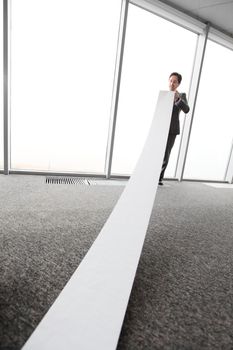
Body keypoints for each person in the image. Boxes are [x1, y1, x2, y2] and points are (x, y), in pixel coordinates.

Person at [159, 72, 190, 186]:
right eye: (170, 81)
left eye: (174, 81)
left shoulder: (181, 95)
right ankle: (152, 175)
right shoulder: (163, 95)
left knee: (166, 153)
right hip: (160, 128)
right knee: (157, 152)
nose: (172, 83)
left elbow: (186, 109)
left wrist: (177, 99)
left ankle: (159, 178)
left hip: (172, 129)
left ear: (178, 84)